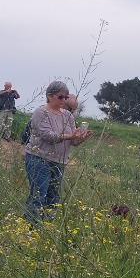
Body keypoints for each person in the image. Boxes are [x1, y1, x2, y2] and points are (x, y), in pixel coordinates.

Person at [23, 81, 90, 224]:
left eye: (66, 98)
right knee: (39, 195)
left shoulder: (68, 116)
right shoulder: (41, 112)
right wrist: (71, 136)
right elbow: (48, 136)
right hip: (39, 158)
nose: (64, 101)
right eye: (61, 97)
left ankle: (46, 226)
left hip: (59, 161)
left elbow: (73, 141)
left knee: (54, 197)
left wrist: (81, 138)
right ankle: (31, 227)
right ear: (49, 96)